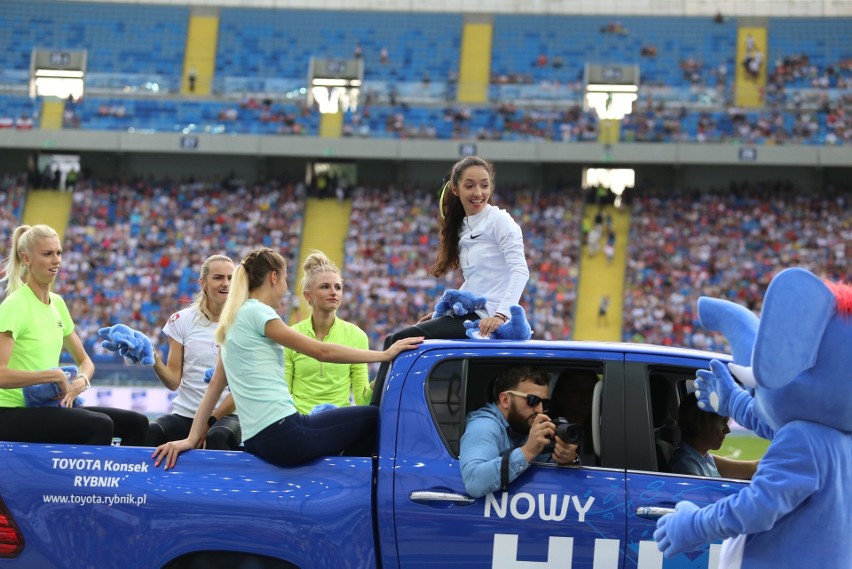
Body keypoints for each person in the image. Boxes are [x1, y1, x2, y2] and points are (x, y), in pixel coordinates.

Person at [152, 247, 423, 469]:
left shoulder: (233, 318)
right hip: (284, 433)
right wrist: (386, 354)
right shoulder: (259, 313)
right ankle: (348, 483)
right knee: (372, 418)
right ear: (273, 277)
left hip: (258, 437)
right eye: (284, 280)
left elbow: (215, 386)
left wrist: (191, 438)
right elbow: (321, 351)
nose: (285, 289)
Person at [373, 156, 530, 396]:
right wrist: (443, 314)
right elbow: (476, 281)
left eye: (484, 185)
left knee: (397, 341)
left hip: (487, 319)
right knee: (405, 339)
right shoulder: (463, 226)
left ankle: (376, 408)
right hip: (472, 314)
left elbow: (521, 271)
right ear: (455, 189)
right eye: (470, 185)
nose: (478, 192)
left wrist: (500, 315)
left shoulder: (500, 221)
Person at [0, 224, 148, 445]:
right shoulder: (15, 305)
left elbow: (85, 361)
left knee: (137, 422)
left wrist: (82, 380)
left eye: (58, 253)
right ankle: (82, 480)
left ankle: (123, 480)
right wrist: (52, 376)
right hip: (10, 411)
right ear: (26, 259)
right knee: (100, 425)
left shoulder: (58, 303)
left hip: (47, 405)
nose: (56, 260)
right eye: (47, 254)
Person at [146, 255, 241, 450]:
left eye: (231, 278)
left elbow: (242, 389)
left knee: (217, 436)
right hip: (185, 414)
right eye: (218, 277)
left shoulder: (246, 322)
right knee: (151, 431)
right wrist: (152, 357)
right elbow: (173, 381)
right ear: (203, 283)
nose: (226, 283)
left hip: (228, 416)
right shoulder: (181, 320)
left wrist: (207, 423)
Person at [459, 365, 579, 498]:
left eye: (544, 403)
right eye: (533, 400)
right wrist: (527, 451)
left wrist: (567, 459)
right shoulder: (483, 425)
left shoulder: (522, 425)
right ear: (505, 400)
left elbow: (546, 468)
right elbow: (474, 482)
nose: (539, 410)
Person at [285, 251, 372, 414]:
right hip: (300, 423)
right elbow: (284, 394)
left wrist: (384, 376)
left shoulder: (356, 336)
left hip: (338, 422)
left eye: (338, 287)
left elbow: (362, 399)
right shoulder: (291, 336)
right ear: (307, 295)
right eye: (325, 287)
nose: (334, 292)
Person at [668, 393, 757, 480]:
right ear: (701, 423)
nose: (727, 430)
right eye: (722, 421)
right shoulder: (686, 467)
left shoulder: (704, 458)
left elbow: (755, 467)